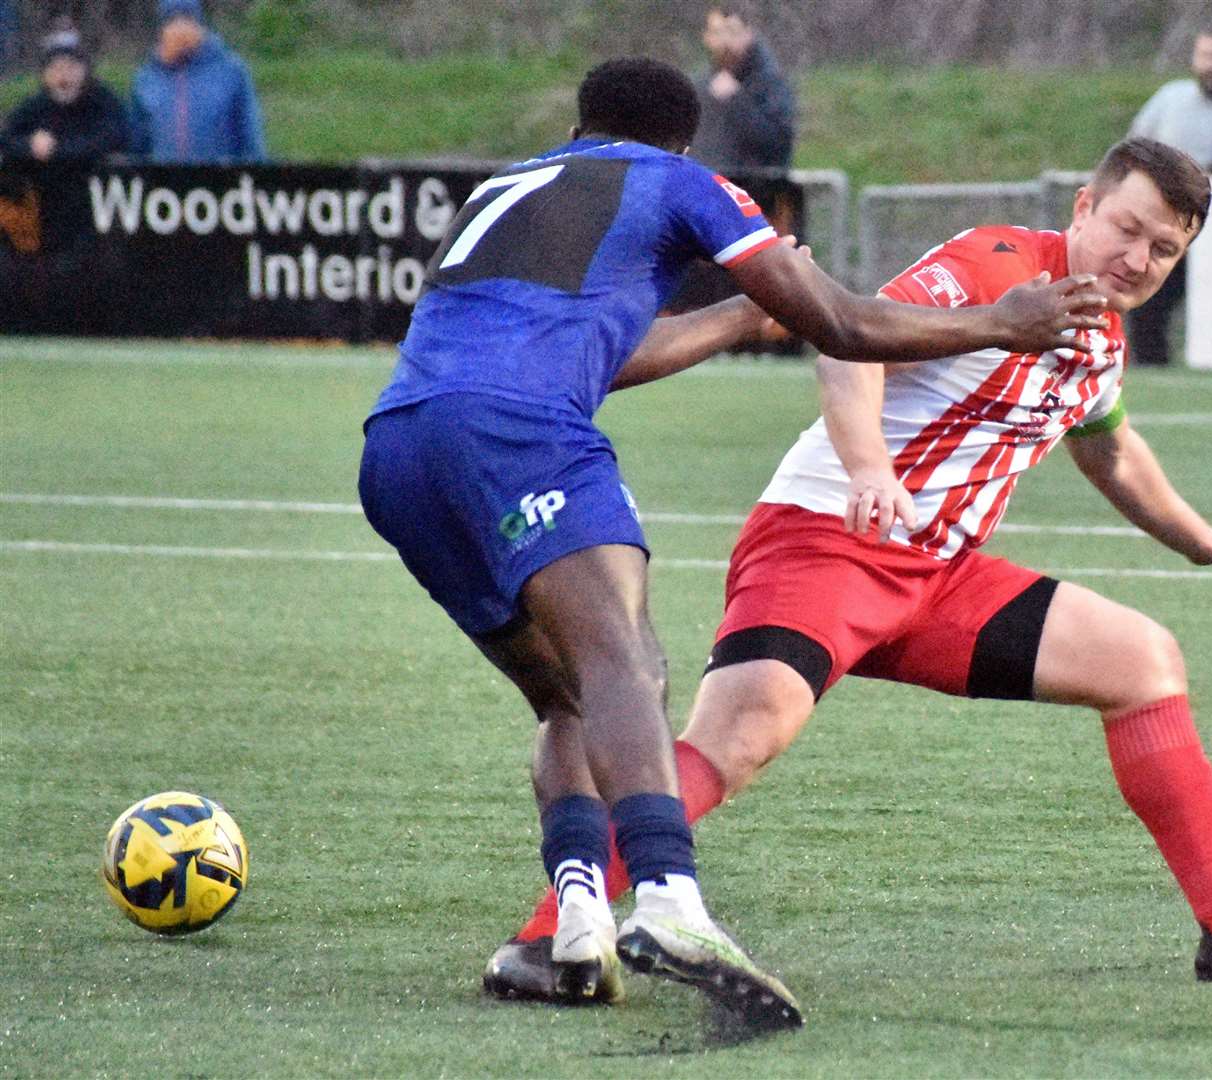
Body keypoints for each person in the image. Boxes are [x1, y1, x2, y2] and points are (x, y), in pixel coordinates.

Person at [487, 137, 1212, 1003]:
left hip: (938, 575)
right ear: (1084, 207)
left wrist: (1198, 538)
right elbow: (848, 344)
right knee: (739, 738)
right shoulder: (999, 263)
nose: (1138, 257)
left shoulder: (1099, 337)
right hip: (825, 540)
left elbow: (1109, 450)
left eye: (1164, 248)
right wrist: (871, 467)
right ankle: (545, 933)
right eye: (1126, 228)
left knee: (1143, 661)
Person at [359, 57, 1106, 1032]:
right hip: (520, 431)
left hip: (400, 449)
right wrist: (993, 323)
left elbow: (603, 355)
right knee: (626, 660)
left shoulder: (511, 186)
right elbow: (838, 321)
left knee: (565, 696)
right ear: (681, 138)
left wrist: (741, 312)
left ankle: (576, 925)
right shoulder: (678, 181)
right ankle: (668, 902)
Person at [1124, 27, 1212, 366]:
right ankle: (1152, 365)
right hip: (1166, 221)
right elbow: (1135, 147)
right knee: (1152, 299)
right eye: (1206, 56)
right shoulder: (1170, 99)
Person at [128, 0, 266, 164]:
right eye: (172, 21)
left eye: (187, 19)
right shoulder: (146, 79)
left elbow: (250, 137)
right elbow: (137, 144)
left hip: (221, 182)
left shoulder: (231, 72)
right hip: (162, 184)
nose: (180, 29)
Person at [691, 2, 795, 174]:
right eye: (718, 33)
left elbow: (779, 146)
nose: (725, 41)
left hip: (757, 190)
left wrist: (737, 101)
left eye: (732, 32)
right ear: (707, 38)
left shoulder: (771, 82)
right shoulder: (700, 86)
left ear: (748, 34)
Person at [0, 25, 128, 165]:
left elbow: (111, 139)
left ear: (85, 70)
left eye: (71, 67)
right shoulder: (37, 105)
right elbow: (7, 139)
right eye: (56, 68)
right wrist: (29, 145)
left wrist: (56, 149)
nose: (64, 76)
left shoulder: (103, 101)